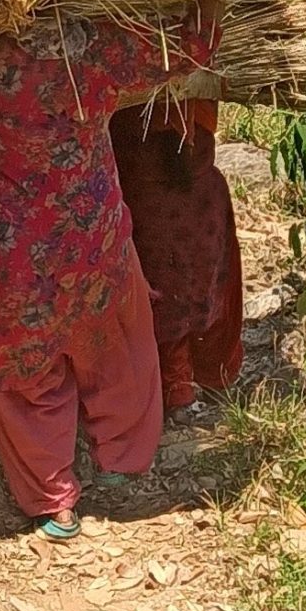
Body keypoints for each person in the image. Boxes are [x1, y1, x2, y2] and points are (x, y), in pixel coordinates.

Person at [0, 3, 221, 539]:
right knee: (116, 349)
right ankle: (119, 463)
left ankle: (55, 500)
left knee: (26, 372)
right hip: (92, 242)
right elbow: (189, 53)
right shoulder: (99, 50)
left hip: (12, 252)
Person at [110, 94, 245, 418]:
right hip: (195, 199)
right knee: (204, 291)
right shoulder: (199, 65)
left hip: (145, 197)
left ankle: (179, 387)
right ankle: (206, 379)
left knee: (161, 299)